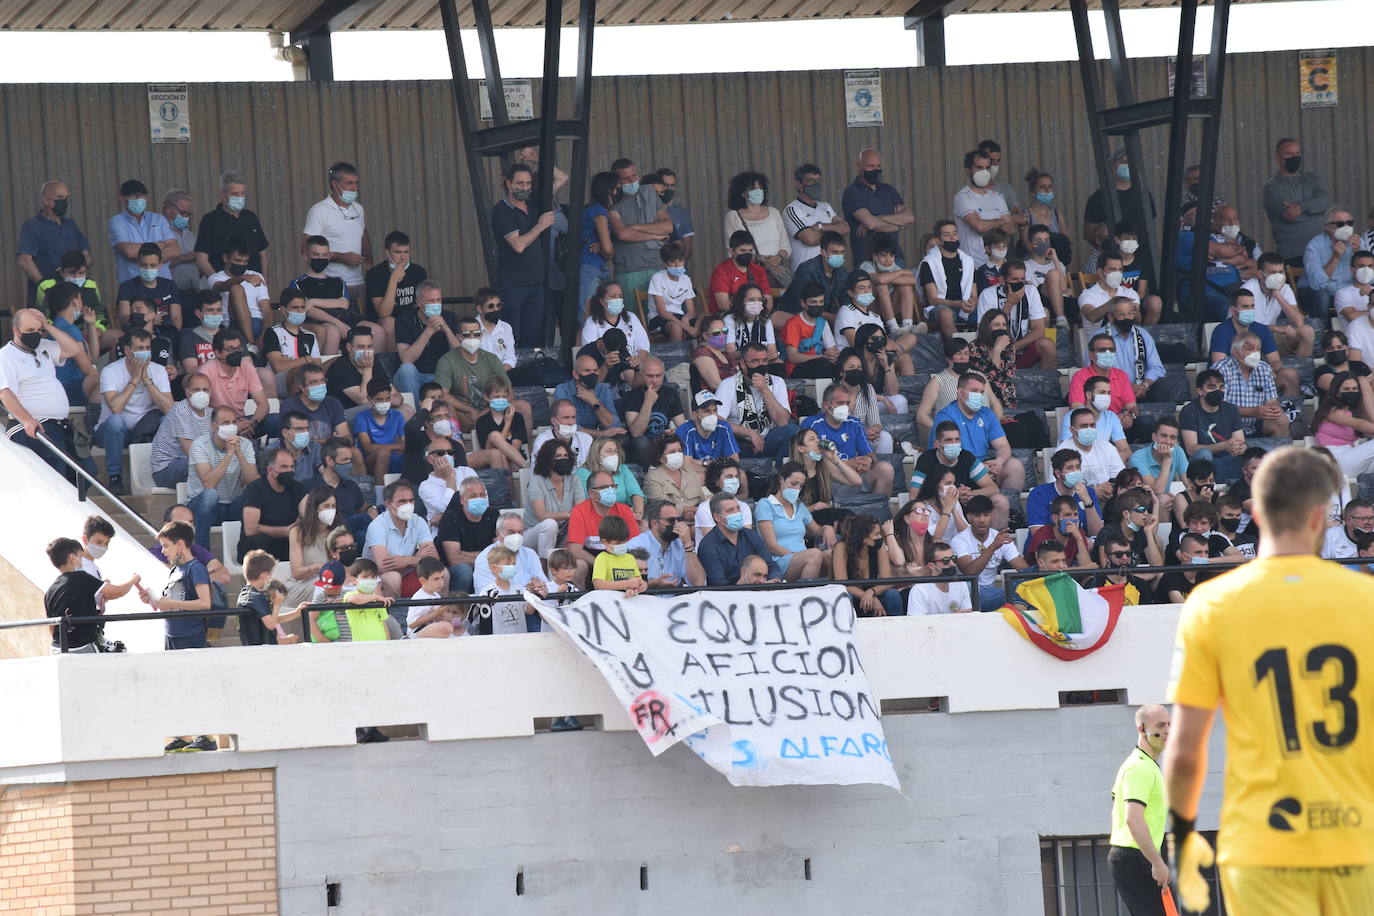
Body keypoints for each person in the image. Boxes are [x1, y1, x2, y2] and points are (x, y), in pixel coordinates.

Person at [1167, 446, 1374, 916]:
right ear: (1323, 515)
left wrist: (1182, 836)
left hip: (1263, 842)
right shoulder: (1367, 599)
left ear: (1256, 511)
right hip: (1357, 839)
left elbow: (1184, 749)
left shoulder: (1213, 603)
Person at [0, 308, 87, 478]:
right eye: (30, 330)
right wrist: (26, 420)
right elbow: (4, 393)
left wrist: (48, 326)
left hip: (59, 424)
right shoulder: (5, 356)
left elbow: (75, 349)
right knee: (59, 476)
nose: (36, 334)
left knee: (86, 473)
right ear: (16, 330)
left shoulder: (44, 346)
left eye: (39, 330)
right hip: (34, 426)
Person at [1106, 705, 1171, 916]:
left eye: (1169, 724)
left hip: (1135, 855)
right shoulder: (1139, 768)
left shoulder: (1144, 765)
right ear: (1141, 729)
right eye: (1160, 725)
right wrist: (1156, 862)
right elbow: (1133, 820)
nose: (1168, 730)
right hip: (1136, 856)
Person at [95, 329, 173, 492]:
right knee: (116, 421)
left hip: (144, 430)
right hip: (113, 433)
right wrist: (135, 378)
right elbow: (116, 407)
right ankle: (114, 476)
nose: (145, 352)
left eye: (147, 348)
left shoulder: (158, 370)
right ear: (128, 351)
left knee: (168, 420)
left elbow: (169, 409)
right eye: (140, 348)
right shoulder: (111, 371)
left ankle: (164, 469)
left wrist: (146, 380)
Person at [930, 370, 1025, 492]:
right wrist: (979, 468)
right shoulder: (946, 416)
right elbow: (948, 456)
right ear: (960, 392)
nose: (979, 396)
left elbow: (1003, 445)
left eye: (981, 392)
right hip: (954, 469)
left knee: (1015, 467)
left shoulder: (987, 414)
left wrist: (999, 462)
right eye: (974, 391)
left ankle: (1009, 508)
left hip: (983, 468)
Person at [43, 536, 139, 654]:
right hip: (82, 647)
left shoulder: (50, 591)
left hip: (58, 648)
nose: (81, 561)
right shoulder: (82, 577)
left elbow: (52, 626)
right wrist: (133, 580)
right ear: (72, 557)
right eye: (80, 556)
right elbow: (118, 592)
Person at [1207, 288, 1301, 398]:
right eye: (1245, 307)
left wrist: (1267, 370)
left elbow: (1276, 361)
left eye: (1252, 306)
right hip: (1229, 382)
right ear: (1233, 311)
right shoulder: (1221, 331)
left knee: (1290, 375)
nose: (1250, 310)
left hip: (1257, 379)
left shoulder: (1262, 330)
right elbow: (1219, 366)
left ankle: (1289, 411)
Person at [801, 384, 893, 495]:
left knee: (886, 469)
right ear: (826, 405)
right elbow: (810, 461)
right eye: (840, 403)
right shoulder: (811, 424)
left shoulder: (854, 423)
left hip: (855, 475)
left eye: (847, 403)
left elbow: (868, 454)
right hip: (827, 480)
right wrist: (847, 464)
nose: (845, 407)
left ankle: (876, 508)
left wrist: (867, 461)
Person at [910, 420, 1005, 527]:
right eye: (949, 440)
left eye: (957, 439)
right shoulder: (926, 460)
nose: (954, 444)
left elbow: (993, 489)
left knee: (1000, 500)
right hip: (937, 509)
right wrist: (953, 495)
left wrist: (971, 494)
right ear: (937, 444)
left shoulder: (967, 457)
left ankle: (994, 541)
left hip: (968, 507)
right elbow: (914, 495)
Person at [302, 161, 371, 300]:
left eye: (356, 183)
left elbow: (363, 236)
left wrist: (369, 266)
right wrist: (341, 258)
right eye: (349, 183)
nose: (354, 188)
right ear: (335, 184)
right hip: (332, 283)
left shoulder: (358, 208)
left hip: (358, 282)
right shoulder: (319, 210)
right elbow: (306, 247)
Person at [715, 343, 796, 460]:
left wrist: (765, 390)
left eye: (764, 361)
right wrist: (750, 433)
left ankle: (782, 474)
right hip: (739, 443)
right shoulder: (727, 384)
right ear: (743, 363)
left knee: (792, 431)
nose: (760, 365)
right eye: (755, 361)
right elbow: (718, 421)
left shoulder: (777, 382)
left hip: (769, 440)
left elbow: (782, 422)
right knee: (721, 436)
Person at [608, 157, 673, 305]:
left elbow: (668, 226)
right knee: (633, 320)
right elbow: (622, 234)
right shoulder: (612, 199)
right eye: (626, 179)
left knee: (660, 318)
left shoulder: (649, 192)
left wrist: (634, 227)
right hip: (629, 269)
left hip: (657, 265)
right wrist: (655, 235)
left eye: (634, 176)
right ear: (616, 181)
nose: (632, 181)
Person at [291, 235, 368, 355]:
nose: (320, 258)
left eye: (324, 255)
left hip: (345, 319)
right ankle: (329, 371)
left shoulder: (338, 282)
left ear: (329, 256)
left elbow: (344, 304)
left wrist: (314, 301)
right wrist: (338, 323)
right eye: (315, 255)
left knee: (376, 330)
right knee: (332, 331)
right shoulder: (298, 283)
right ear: (306, 256)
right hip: (315, 323)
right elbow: (308, 310)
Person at [951, 494, 1028, 612]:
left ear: (992, 516)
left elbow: (1024, 570)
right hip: (967, 594)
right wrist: (992, 547)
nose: (982, 520)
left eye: (986, 515)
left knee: (1024, 585)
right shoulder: (959, 540)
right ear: (969, 517)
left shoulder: (999, 537)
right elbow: (969, 573)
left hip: (991, 593)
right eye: (977, 516)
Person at [1260, 137, 1330, 265]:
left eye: (1297, 153)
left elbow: (1325, 202)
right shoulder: (1271, 188)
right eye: (1289, 154)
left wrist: (1300, 207)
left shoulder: (1313, 178)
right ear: (1278, 157)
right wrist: (1315, 208)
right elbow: (1291, 216)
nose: (1294, 157)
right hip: (1294, 254)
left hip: (1322, 249)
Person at [18, 180, 91, 303]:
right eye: (60, 197)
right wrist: (45, 285)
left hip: (72, 295)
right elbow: (24, 260)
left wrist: (75, 275)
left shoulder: (70, 225)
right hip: (46, 297)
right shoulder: (32, 226)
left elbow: (87, 256)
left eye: (66, 197)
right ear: (45, 200)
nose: (64, 201)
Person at [755, 463, 831, 581]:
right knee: (815, 554)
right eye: (793, 483)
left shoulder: (800, 506)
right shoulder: (765, 505)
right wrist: (796, 555)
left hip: (806, 557)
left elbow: (817, 530)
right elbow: (771, 546)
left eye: (800, 486)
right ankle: (806, 595)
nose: (797, 489)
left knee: (833, 554)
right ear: (781, 479)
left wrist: (827, 528)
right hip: (779, 559)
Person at [367, 479, 442, 597]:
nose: (408, 505)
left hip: (410, 573)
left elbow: (434, 560)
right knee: (393, 577)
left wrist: (407, 561)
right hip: (376, 579)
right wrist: (418, 559)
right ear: (388, 504)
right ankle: (396, 615)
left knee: (441, 574)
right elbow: (383, 566)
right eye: (402, 501)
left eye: (411, 500)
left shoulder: (419, 521)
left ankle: (440, 612)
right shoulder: (377, 526)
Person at [842, 149, 915, 266]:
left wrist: (878, 217)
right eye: (870, 166)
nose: (875, 170)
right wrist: (898, 225)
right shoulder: (852, 192)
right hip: (868, 261)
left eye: (878, 166)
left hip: (895, 258)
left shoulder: (889, 190)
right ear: (859, 166)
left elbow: (910, 217)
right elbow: (871, 224)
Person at [194, 170, 269, 282]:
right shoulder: (210, 220)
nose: (240, 197)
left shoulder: (250, 217)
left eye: (242, 193)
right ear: (223, 194)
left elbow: (262, 253)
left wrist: (264, 282)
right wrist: (218, 283)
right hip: (224, 286)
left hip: (253, 284)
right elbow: (201, 258)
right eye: (235, 194)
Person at [523, 438, 587, 566]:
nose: (562, 459)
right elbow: (541, 515)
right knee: (550, 524)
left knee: (578, 524)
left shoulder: (574, 480)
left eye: (565, 456)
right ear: (548, 460)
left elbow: (581, 511)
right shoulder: (536, 481)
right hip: (533, 535)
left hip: (562, 533)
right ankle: (545, 569)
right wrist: (568, 514)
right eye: (558, 456)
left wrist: (573, 515)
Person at [1215, 331, 1290, 439]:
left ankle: (1278, 456)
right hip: (1227, 427)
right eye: (1249, 349)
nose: (1255, 353)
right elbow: (1219, 406)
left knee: (1281, 419)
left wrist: (1274, 408)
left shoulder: (1264, 368)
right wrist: (1252, 411)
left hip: (1255, 425)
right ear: (1235, 352)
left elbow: (1271, 400)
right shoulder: (1221, 369)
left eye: (1258, 349)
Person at [724, 170, 791, 288]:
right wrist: (761, 259)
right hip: (749, 273)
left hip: (777, 273)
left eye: (760, 188)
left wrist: (778, 258)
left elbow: (785, 246)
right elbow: (736, 250)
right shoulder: (733, 217)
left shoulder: (774, 213)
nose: (759, 191)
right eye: (753, 189)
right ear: (743, 193)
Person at [565, 469, 641, 572]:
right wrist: (603, 565)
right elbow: (574, 550)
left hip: (621, 563)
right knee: (579, 565)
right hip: (592, 563)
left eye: (613, 486)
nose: (610, 490)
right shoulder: (579, 511)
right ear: (591, 493)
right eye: (604, 487)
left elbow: (636, 545)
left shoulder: (625, 510)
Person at [698, 492, 781, 587]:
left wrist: (774, 580)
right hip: (725, 598)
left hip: (759, 591)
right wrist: (741, 586)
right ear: (717, 517)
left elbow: (771, 565)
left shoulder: (751, 536)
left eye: (738, 508)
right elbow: (719, 584)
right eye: (730, 510)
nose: (737, 513)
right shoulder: (708, 546)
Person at [1242, 251, 1313, 358]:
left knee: (1307, 331)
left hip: (1270, 338)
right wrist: (1277, 329)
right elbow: (1245, 327)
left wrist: (1277, 294)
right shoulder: (1247, 290)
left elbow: (1298, 321)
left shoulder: (1284, 288)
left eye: (1280, 272)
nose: (1278, 277)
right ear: (1260, 274)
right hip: (1248, 341)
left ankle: (1302, 371)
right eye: (1273, 272)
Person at [239, 447, 304, 561]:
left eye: (292, 467)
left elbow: (309, 513)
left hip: (286, 544)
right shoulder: (255, 489)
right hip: (256, 549)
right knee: (260, 539)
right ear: (270, 470)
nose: (289, 471)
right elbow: (250, 529)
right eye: (284, 467)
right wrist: (285, 531)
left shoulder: (296, 487)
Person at [833, 513, 905, 616]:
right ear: (864, 538)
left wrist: (871, 592)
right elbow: (842, 583)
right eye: (876, 534)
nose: (880, 537)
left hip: (872, 594)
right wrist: (866, 596)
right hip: (853, 595)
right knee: (846, 596)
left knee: (892, 595)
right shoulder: (841, 548)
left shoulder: (879, 547)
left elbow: (887, 580)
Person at [784, 163, 849, 275]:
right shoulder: (792, 210)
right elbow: (810, 239)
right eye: (810, 181)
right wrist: (834, 231)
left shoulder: (826, 206)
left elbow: (845, 228)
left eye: (817, 181)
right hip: (805, 273)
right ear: (799, 185)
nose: (815, 185)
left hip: (830, 272)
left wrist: (820, 226)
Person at [364, 230, 427, 345]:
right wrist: (393, 279)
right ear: (387, 253)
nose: (403, 257)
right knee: (390, 322)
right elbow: (384, 313)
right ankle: (391, 361)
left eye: (406, 252)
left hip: (411, 319)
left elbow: (424, 304)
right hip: (385, 322)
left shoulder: (418, 272)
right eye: (398, 252)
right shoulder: (375, 274)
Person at [953, 148, 1013, 266]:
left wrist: (990, 224)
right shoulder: (963, 197)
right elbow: (979, 226)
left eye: (987, 168)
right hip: (973, 264)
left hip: (998, 264)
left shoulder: (998, 197)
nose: (984, 172)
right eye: (979, 168)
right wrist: (1001, 221)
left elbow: (1010, 228)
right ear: (968, 170)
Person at [622, 357, 685, 468]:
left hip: (664, 443)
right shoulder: (631, 396)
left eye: (658, 376)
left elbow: (683, 426)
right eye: (650, 376)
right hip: (642, 449)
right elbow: (636, 433)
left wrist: (674, 432)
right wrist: (648, 402)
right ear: (641, 375)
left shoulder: (670, 393)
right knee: (641, 441)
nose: (655, 381)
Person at [626, 499, 704, 589]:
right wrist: (654, 584)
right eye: (671, 521)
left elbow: (699, 583)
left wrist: (688, 546)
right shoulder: (635, 546)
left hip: (674, 601)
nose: (677, 524)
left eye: (679, 520)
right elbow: (626, 584)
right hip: (644, 600)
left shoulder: (680, 544)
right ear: (655, 523)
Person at [205, 237, 272, 343]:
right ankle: (250, 343)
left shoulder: (256, 276)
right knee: (236, 288)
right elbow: (220, 287)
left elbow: (266, 310)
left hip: (256, 324)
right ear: (226, 258)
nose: (241, 264)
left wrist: (266, 333)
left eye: (245, 261)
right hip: (230, 327)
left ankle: (251, 343)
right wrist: (241, 278)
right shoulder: (215, 278)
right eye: (237, 260)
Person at [1026, 448, 1105, 535]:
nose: (1076, 471)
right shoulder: (1039, 494)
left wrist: (1088, 503)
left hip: (1081, 546)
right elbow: (1038, 533)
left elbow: (1097, 533)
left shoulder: (1089, 493)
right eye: (1070, 468)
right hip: (1049, 546)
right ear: (1058, 473)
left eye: (1078, 467)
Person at [472, 514, 552, 600]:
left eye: (520, 532)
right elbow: (489, 594)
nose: (517, 536)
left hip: (529, 608)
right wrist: (530, 590)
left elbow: (544, 585)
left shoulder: (530, 554)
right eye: (511, 532)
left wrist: (538, 588)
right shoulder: (485, 558)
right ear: (498, 533)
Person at [779, 230, 851, 324]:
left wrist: (847, 315)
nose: (839, 256)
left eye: (841, 252)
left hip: (822, 317)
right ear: (823, 252)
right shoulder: (807, 270)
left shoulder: (842, 272)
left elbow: (845, 300)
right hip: (795, 316)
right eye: (834, 252)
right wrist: (830, 317)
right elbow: (801, 304)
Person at [1312, 371, 1374, 476]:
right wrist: (1363, 382)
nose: (1351, 392)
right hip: (1336, 460)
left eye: (1355, 389)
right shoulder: (1330, 411)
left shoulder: (1354, 412)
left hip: (1352, 458)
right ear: (1337, 392)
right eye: (1347, 389)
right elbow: (1359, 424)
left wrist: (1364, 384)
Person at [1301, 205, 1358, 317]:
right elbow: (1316, 284)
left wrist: (1358, 252)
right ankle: (1319, 331)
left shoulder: (1357, 243)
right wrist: (1335, 258)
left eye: (1349, 223)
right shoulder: (1315, 245)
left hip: (1347, 290)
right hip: (1319, 291)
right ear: (1328, 227)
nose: (1346, 227)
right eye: (1340, 224)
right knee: (1322, 296)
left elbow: (1368, 278)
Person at [115, 242, 182, 335]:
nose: (148, 268)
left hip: (167, 335)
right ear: (138, 263)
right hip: (137, 336)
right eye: (144, 265)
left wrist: (173, 335)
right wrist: (149, 319)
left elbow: (176, 318)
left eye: (153, 265)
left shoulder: (170, 285)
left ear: (160, 265)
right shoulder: (127, 287)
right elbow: (124, 318)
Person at [573, 436, 645, 522]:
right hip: (597, 519)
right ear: (596, 454)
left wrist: (638, 513)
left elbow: (636, 493)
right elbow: (591, 501)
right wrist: (623, 513)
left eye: (615, 451)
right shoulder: (583, 473)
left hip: (627, 515)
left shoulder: (622, 469)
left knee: (643, 526)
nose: (614, 455)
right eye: (608, 451)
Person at [238, 550, 301, 646]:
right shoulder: (254, 597)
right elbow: (271, 624)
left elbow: (272, 618)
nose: (271, 578)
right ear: (264, 575)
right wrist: (277, 604)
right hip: (261, 650)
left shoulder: (248, 594)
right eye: (270, 574)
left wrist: (296, 613)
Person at [781, 283, 840, 379]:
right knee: (823, 364)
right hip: (796, 370)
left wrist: (833, 355)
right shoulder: (793, 323)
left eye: (821, 302)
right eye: (813, 302)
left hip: (820, 364)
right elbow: (793, 357)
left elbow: (832, 349)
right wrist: (820, 357)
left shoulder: (823, 323)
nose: (818, 305)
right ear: (803, 303)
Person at [1129, 417, 1188, 510]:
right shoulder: (1137, 458)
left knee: (1178, 499)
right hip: (1141, 504)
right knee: (1162, 498)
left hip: (1165, 499)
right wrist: (1167, 459)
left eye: (1172, 437)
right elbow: (1157, 490)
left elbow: (1188, 484)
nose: (1168, 442)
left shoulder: (1178, 451)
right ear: (1154, 437)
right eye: (1164, 436)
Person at [1023, 496, 1093, 569]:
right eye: (1068, 515)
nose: (1073, 519)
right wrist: (1083, 569)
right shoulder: (1042, 534)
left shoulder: (1078, 533)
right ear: (1055, 518)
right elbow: (1048, 570)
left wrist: (1079, 539)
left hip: (1069, 577)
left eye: (1075, 514)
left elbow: (1087, 569)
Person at [646, 242, 696, 341]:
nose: (677, 265)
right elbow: (662, 312)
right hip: (658, 319)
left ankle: (701, 355)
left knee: (706, 323)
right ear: (665, 263)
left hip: (679, 316)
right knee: (676, 328)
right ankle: (677, 356)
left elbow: (691, 311)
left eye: (680, 260)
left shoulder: (686, 279)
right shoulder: (657, 278)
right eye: (673, 262)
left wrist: (685, 319)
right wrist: (685, 326)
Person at [904, 543, 972, 615]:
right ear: (931, 566)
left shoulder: (961, 584)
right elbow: (918, 624)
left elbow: (967, 616)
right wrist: (953, 617)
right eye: (945, 561)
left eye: (953, 559)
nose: (952, 563)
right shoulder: (919, 590)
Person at [676, 390, 740, 464]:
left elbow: (734, 461)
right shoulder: (684, 430)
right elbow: (686, 464)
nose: (712, 415)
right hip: (695, 474)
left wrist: (701, 463)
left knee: (741, 474)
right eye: (707, 411)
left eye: (715, 410)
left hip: (718, 473)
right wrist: (708, 464)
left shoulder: (724, 427)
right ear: (694, 415)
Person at [590, 515, 647, 596]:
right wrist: (627, 584)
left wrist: (642, 585)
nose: (623, 545)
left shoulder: (630, 558)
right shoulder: (602, 558)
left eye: (625, 542)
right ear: (605, 542)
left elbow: (638, 580)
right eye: (618, 543)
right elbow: (598, 585)